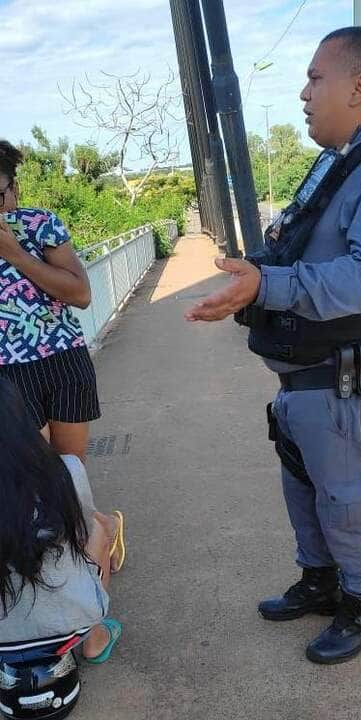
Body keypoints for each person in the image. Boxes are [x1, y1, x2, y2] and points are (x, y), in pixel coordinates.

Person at [186, 27, 361, 664]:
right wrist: (250, 277)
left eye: (314, 78)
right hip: (303, 380)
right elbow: (298, 246)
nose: (303, 93)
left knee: (348, 500)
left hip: (339, 380)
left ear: (360, 86)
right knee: (304, 488)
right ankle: (321, 581)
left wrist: (267, 284)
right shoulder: (342, 163)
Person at [0, 377, 122, 665]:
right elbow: (81, 528)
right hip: (69, 628)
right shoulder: (64, 470)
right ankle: (94, 638)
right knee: (98, 529)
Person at [0, 140, 100, 462]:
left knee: (72, 469)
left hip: (63, 359)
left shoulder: (40, 225)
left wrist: (14, 253)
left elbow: (81, 295)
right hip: (7, 375)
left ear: (14, 187)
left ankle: (85, 515)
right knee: (35, 480)